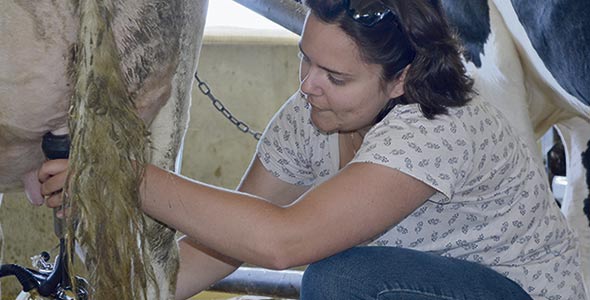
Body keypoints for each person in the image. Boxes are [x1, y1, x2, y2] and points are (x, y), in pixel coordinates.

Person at [38, 0, 587, 299]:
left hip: (516, 296)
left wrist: (124, 176)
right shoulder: (313, 116)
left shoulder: (438, 129)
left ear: (401, 80)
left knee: (339, 279)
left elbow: (282, 244)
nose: (307, 85)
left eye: (335, 76)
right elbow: (230, 240)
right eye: (306, 59)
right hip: (423, 290)